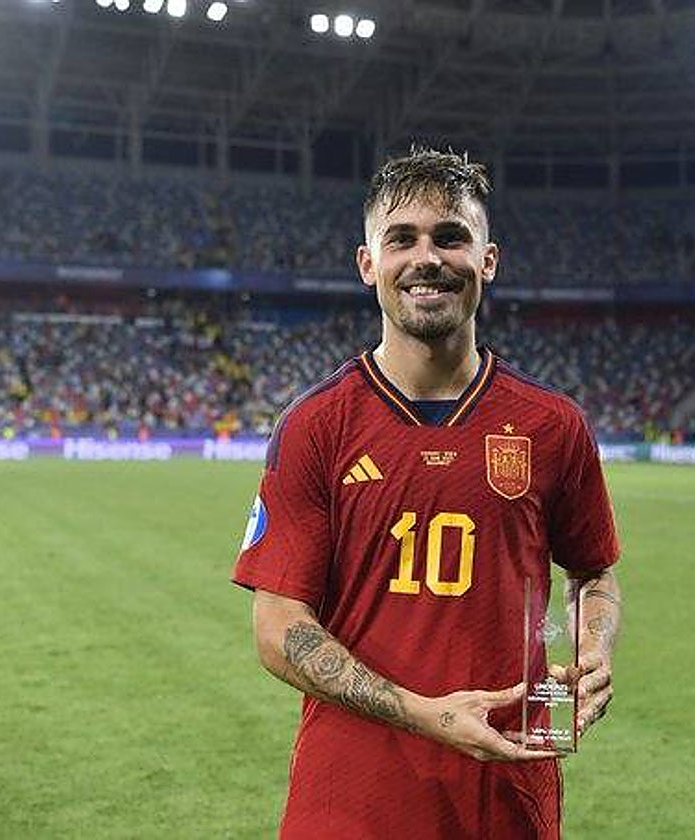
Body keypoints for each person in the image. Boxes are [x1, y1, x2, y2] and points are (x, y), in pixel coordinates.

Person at [231, 148, 622, 839]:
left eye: (450, 236)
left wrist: (594, 646)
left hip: (506, 794)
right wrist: (424, 713)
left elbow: (593, 572)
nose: (427, 258)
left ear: (488, 260)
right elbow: (277, 627)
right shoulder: (315, 425)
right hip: (351, 804)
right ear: (368, 264)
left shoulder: (552, 424)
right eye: (401, 239)